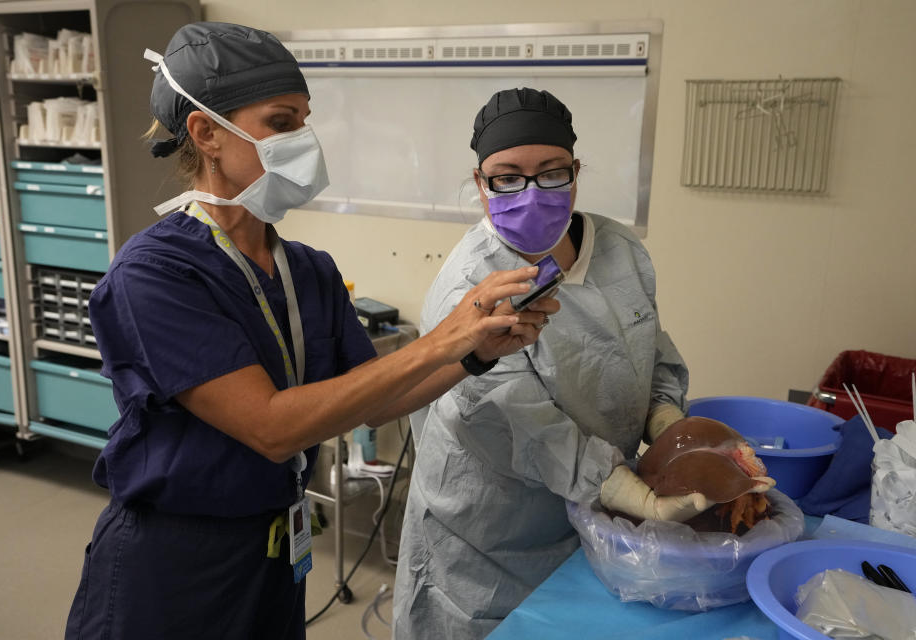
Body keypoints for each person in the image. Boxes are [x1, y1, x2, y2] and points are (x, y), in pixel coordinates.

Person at [64, 26, 558, 640]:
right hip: (177, 562)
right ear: (207, 132)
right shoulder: (155, 276)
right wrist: (437, 340)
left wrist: (473, 355)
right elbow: (272, 428)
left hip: (274, 551)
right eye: (281, 122)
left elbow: (366, 398)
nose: (303, 140)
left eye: (304, 120)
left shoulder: (307, 270)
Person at [392, 87, 739, 639]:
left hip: (591, 526)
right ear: (480, 184)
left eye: (552, 173)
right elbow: (508, 418)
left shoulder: (620, 250)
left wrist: (667, 424)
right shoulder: (470, 287)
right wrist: (629, 493)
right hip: (487, 541)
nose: (531, 194)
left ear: (576, 173)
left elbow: (649, 348)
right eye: (507, 177)